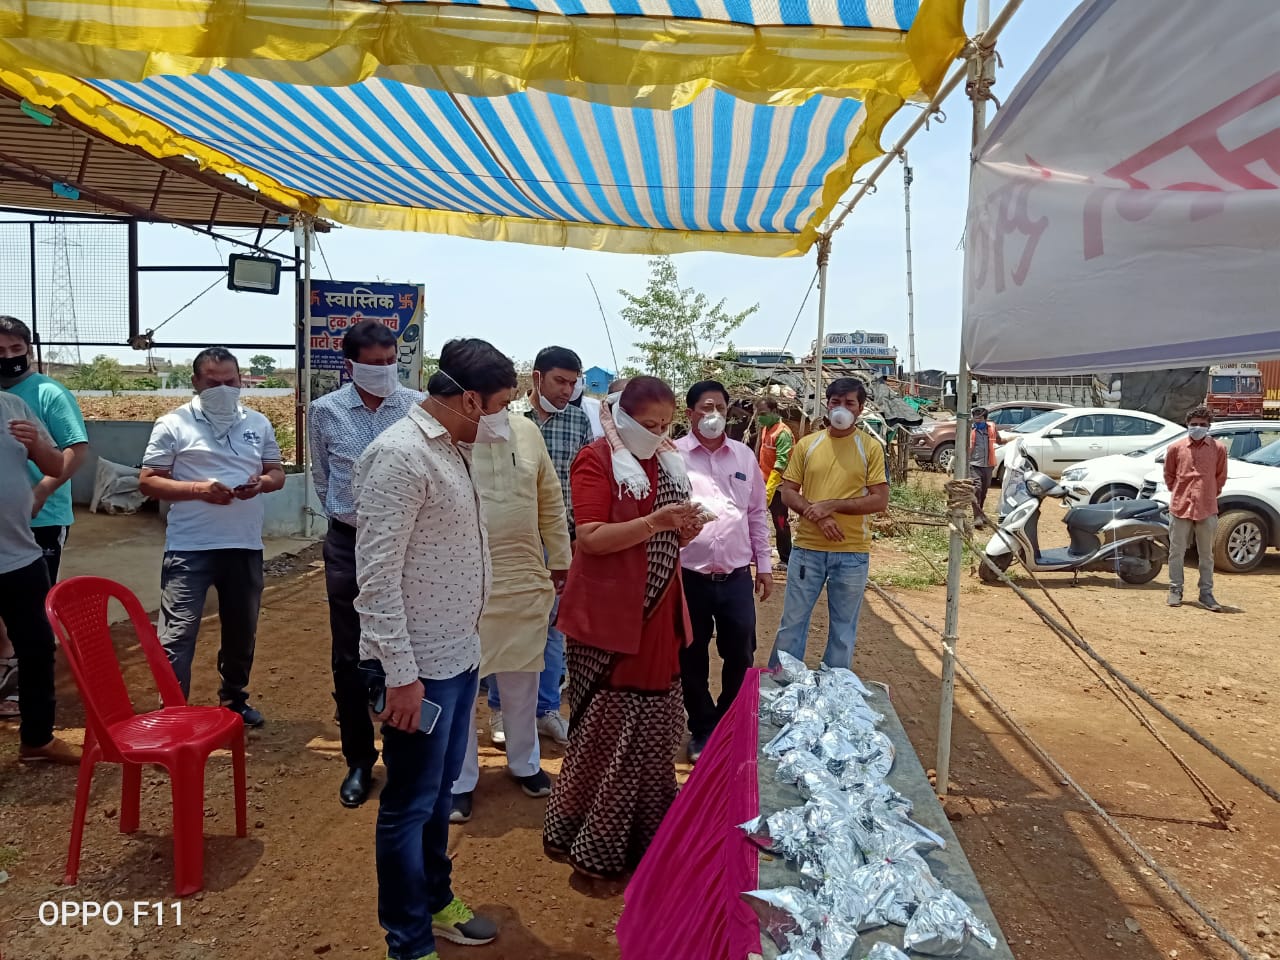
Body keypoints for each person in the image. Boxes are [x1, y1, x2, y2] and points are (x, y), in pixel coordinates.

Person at [354, 338, 511, 959]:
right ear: (470, 399)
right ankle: (408, 940)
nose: (503, 419)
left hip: (457, 654)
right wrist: (400, 676)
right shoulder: (399, 456)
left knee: (437, 795)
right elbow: (377, 577)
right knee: (408, 804)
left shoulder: (451, 448)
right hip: (416, 667)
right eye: (501, 405)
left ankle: (437, 902)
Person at [543, 376, 704, 880]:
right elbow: (590, 538)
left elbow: (667, 537)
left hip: (659, 612)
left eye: (665, 425)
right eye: (649, 424)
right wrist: (657, 523)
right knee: (610, 733)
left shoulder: (668, 460)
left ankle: (648, 835)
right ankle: (593, 838)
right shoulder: (595, 460)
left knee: (657, 730)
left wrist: (685, 528)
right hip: (612, 619)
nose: (658, 433)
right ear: (623, 416)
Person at [138, 348, 285, 727]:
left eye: (230, 382)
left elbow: (276, 472)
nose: (223, 389)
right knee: (178, 633)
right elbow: (149, 481)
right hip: (191, 547)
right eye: (213, 382)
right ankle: (172, 714)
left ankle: (234, 700)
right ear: (196, 383)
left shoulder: (258, 422)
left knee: (241, 629)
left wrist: (261, 484)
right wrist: (199, 489)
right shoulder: (173, 424)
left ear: (240, 380)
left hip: (244, 544)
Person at [309, 319, 422, 809]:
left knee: (407, 649)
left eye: (390, 361)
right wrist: (351, 520)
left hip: (410, 546)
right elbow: (323, 476)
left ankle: (404, 756)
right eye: (373, 364)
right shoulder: (325, 412)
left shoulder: (417, 407)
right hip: (348, 544)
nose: (384, 371)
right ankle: (359, 759)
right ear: (348, 361)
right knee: (351, 654)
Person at [449, 410, 572, 823]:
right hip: (463, 577)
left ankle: (525, 763)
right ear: (470, 396)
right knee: (461, 684)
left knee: (523, 675)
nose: (503, 407)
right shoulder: (452, 432)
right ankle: (460, 780)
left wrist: (561, 559)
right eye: (496, 398)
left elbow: (550, 498)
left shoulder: (526, 430)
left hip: (521, 573)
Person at [489, 345, 591, 749]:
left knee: (552, 627)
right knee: (505, 625)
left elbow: (581, 484)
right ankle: (499, 709)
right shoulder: (505, 420)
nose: (567, 390)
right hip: (510, 543)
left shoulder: (579, 423)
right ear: (537, 378)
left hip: (558, 542)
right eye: (559, 381)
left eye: (573, 382)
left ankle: (547, 709)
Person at [676, 380, 773, 763]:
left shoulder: (744, 457)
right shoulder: (674, 456)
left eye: (719, 407)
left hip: (734, 575)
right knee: (690, 654)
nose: (713, 415)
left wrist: (763, 565)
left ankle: (728, 723)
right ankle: (702, 728)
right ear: (690, 414)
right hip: (688, 575)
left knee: (741, 651)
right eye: (705, 407)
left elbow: (756, 513)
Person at [0, 316, 90, 720]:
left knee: (30, 612)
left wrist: (40, 493)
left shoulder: (46, 394)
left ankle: (22, 694)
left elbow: (74, 451)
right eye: (0, 352)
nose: (9, 359)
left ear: (30, 352)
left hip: (41, 518)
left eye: (17, 351)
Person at [768, 378, 889, 669]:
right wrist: (818, 516)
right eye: (836, 402)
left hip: (852, 553)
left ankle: (834, 687)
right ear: (827, 404)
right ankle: (781, 681)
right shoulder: (808, 445)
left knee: (843, 630)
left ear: (860, 409)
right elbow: (787, 491)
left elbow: (879, 500)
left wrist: (831, 506)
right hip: (807, 550)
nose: (841, 409)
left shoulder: (870, 448)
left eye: (849, 403)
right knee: (792, 623)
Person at [0, 392, 81, 763]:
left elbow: (54, 465)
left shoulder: (12, 406)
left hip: (20, 555)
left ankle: (37, 740)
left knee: (36, 652)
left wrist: (35, 443)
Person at [1164, 404, 1228, 612]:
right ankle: (1175, 590)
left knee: (1206, 554)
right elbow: (1169, 475)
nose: (1197, 427)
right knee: (1176, 551)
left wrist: (1208, 493)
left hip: (1207, 507)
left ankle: (1206, 593)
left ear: (1209, 426)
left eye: (1202, 424)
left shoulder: (1218, 449)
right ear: (1187, 425)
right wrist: (1179, 491)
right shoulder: (1176, 448)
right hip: (1180, 507)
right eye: (1194, 424)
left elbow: (1220, 476)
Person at [756, 397, 794, 569]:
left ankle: (786, 558)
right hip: (763, 481)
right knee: (757, 519)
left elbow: (781, 464)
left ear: (774, 412)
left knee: (780, 522)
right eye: (758, 414)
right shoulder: (766, 429)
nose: (760, 417)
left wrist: (769, 490)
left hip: (778, 486)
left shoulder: (783, 433)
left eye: (763, 413)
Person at [969, 407, 1002, 527]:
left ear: (985, 419)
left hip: (988, 465)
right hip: (974, 464)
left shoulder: (991, 428)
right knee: (977, 488)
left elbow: (999, 440)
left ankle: (980, 513)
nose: (976, 420)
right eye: (975, 418)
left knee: (983, 491)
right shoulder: (970, 429)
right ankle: (977, 517)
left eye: (979, 418)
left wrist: (1014, 439)